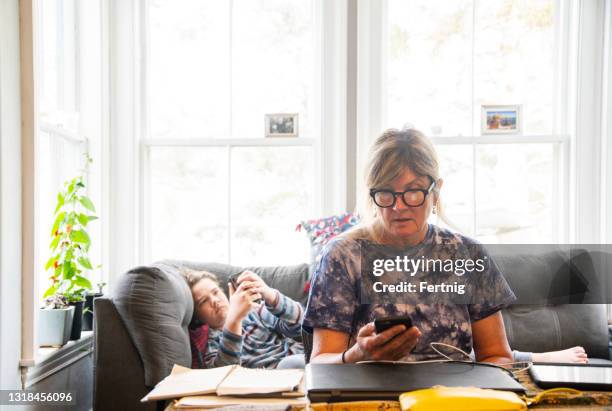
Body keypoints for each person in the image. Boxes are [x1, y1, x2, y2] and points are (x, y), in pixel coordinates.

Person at [302, 127, 517, 365]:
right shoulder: (342, 255)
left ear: (436, 192)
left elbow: (497, 355)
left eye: (413, 192)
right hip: (369, 393)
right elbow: (320, 362)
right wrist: (359, 355)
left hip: (452, 395)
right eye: (385, 193)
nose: (399, 207)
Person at [182, 268, 304, 369]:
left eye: (215, 292)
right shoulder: (211, 341)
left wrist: (270, 295)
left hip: (295, 360)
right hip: (268, 381)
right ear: (197, 316)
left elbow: (300, 327)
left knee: (294, 362)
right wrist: (234, 321)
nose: (214, 301)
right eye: (203, 301)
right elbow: (222, 372)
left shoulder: (256, 311)